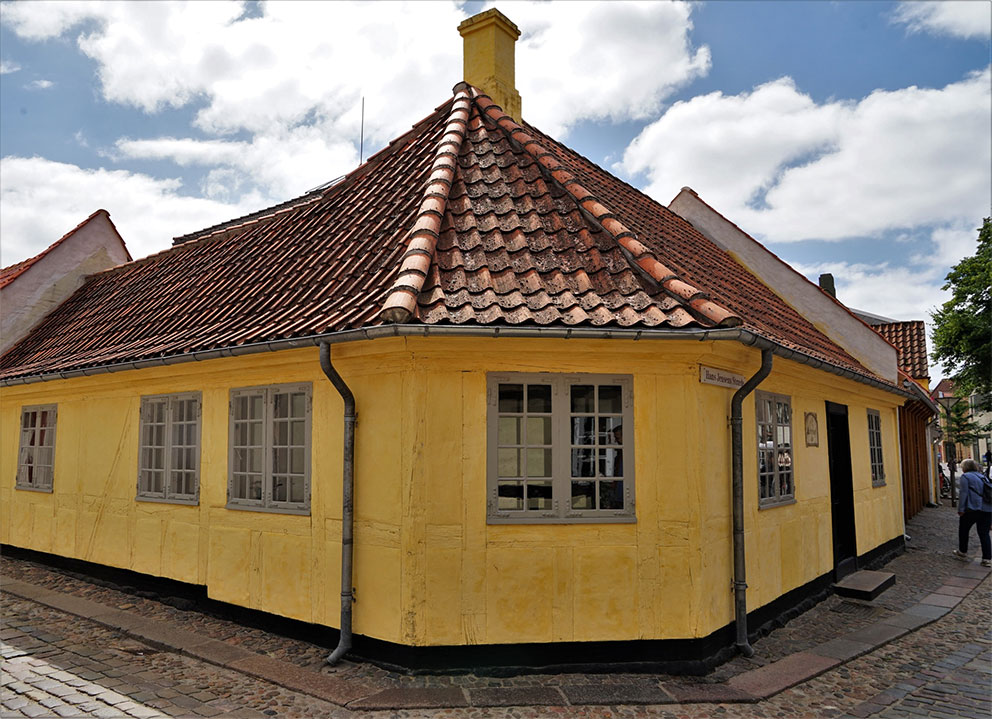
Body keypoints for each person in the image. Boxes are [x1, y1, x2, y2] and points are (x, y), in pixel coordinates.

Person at [952, 458, 992, 567]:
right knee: (984, 534)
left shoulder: (966, 477)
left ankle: (963, 551)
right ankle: (987, 559)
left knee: (964, 530)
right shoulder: (983, 476)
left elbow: (963, 493)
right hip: (987, 509)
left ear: (965, 468)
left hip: (972, 508)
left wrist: (961, 509)